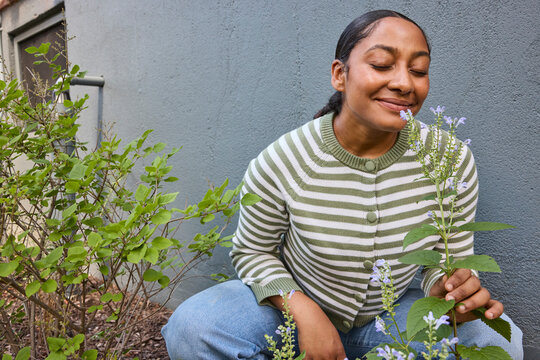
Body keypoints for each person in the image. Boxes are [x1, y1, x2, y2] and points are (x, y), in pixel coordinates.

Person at [162, 9, 523, 360]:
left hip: (392, 317)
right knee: (195, 328)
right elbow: (252, 252)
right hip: (290, 312)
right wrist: (302, 310)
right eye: (382, 64)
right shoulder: (284, 159)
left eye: (419, 70)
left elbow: (446, 258)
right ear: (340, 74)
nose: (403, 83)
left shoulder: (448, 160)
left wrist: (451, 290)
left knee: (496, 341)